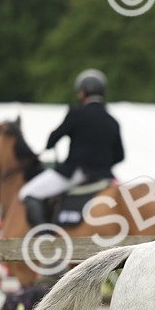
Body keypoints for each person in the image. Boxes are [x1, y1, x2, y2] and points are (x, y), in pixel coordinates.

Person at [19, 69, 124, 227]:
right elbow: (120, 155)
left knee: (27, 193)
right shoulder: (112, 121)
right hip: (105, 176)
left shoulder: (76, 113)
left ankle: (42, 236)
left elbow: (55, 137)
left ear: (83, 93)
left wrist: (48, 146)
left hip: (77, 172)